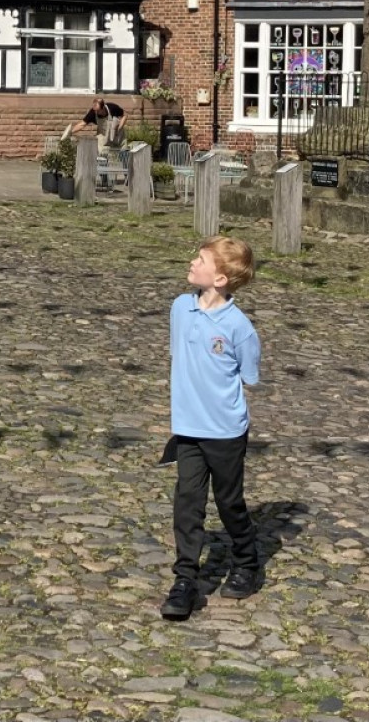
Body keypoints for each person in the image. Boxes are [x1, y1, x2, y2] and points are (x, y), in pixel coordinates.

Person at [160, 236, 261, 619]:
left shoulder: (239, 328)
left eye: (200, 259)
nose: (192, 262)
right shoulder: (180, 308)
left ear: (219, 278)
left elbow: (248, 376)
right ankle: (185, 579)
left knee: (229, 501)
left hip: (224, 432)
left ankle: (247, 562)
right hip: (188, 427)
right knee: (187, 501)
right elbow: (179, 354)